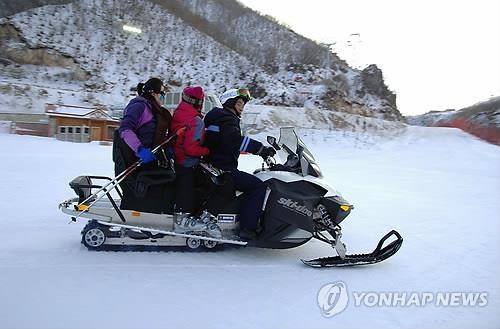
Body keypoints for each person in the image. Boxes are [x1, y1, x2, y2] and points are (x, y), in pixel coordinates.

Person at [204, 87, 276, 240]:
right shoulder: (227, 118)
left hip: (217, 165)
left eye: (243, 103)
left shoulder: (219, 117)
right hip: (222, 168)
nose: (242, 106)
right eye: (239, 103)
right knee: (258, 186)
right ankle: (248, 229)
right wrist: (260, 149)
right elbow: (234, 140)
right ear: (230, 103)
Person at [112, 78, 172, 210]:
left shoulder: (153, 109)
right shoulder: (139, 106)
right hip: (136, 160)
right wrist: (140, 150)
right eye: (161, 94)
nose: (163, 97)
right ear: (153, 93)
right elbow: (125, 129)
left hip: (150, 158)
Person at [169, 86, 221, 238]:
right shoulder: (196, 120)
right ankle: (188, 218)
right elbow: (191, 149)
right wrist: (208, 151)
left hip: (176, 158)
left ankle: (185, 214)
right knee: (209, 182)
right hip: (187, 160)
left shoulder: (179, 112)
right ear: (197, 102)